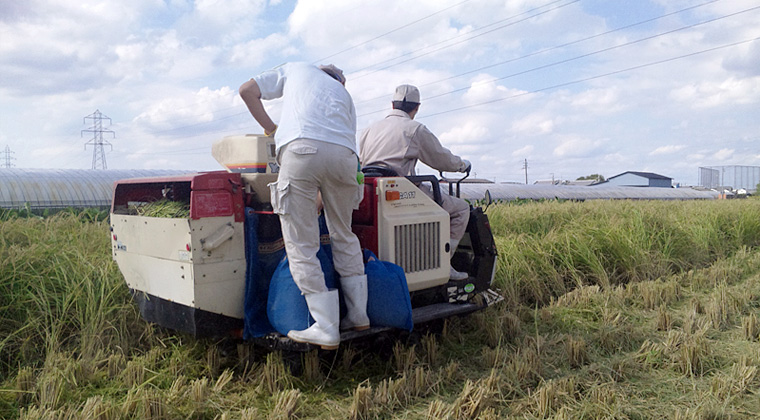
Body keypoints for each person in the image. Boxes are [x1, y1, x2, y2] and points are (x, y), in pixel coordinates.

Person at [239, 62, 369, 350]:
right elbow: (339, 149)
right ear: (339, 80)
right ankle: (358, 315)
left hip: (300, 150)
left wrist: (271, 128)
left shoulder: (297, 69)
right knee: (344, 233)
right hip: (345, 159)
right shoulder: (343, 96)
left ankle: (325, 326)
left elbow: (247, 90)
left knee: (301, 242)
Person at [359, 84, 472, 281]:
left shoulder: (369, 129)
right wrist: (462, 165)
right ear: (417, 107)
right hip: (401, 191)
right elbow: (441, 158)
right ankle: (445, 265)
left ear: (392, 104)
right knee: (461, 209)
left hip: (368, 192)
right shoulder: (415, 129)